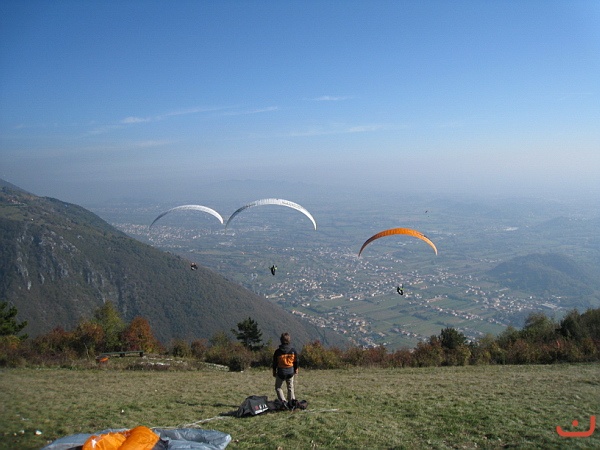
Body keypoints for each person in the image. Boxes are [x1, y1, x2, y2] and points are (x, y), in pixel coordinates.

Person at [272, 332, 298, 409]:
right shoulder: (293, 351)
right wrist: (296, 369)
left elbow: (275, 362)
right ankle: (291, 403)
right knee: (290, 387)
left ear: (281, 340)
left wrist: (274, 371)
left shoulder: (277, 352)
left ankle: (283, 402)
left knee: (278, 387)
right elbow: (296, 361)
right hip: (290, 371)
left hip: (281, 372)